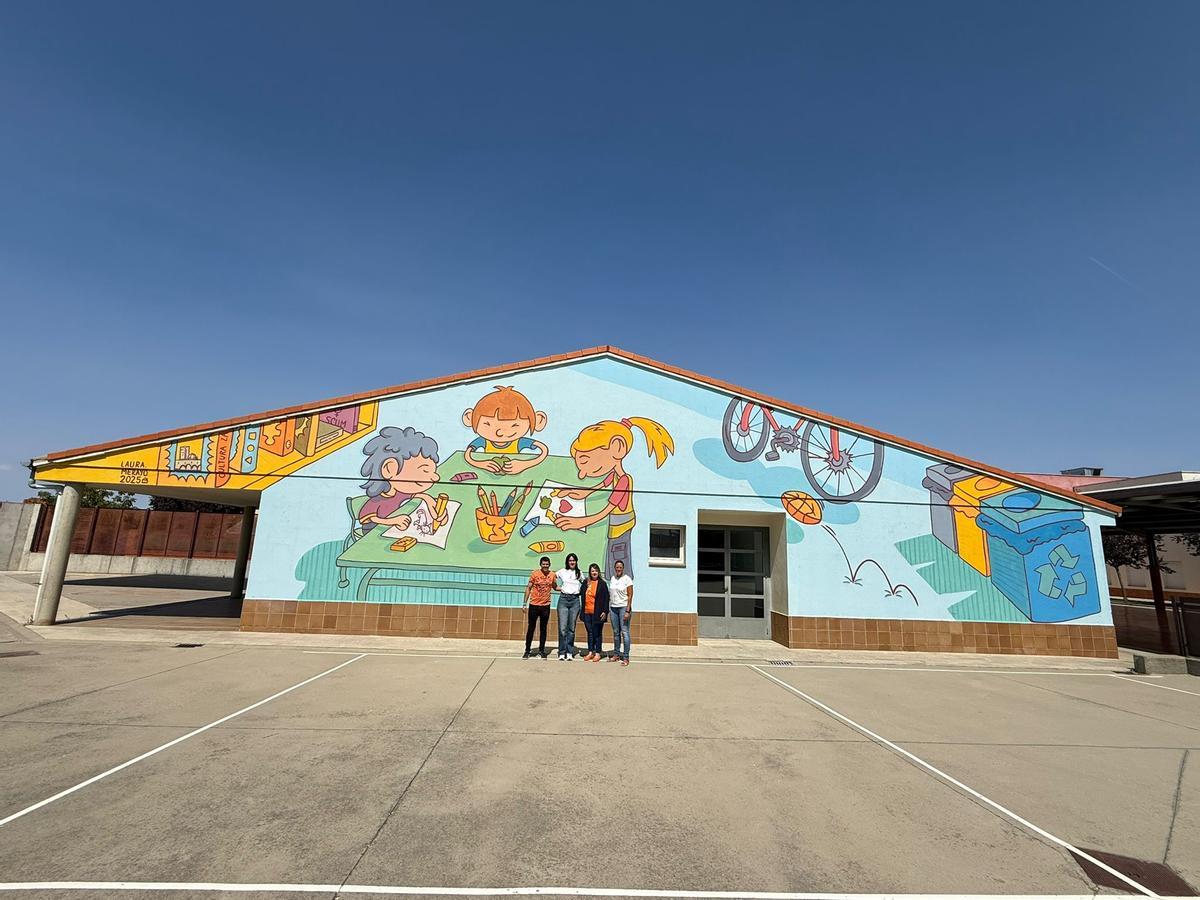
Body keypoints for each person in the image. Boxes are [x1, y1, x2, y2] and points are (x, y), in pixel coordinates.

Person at [552, 417, 674, 576]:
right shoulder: (614, 475)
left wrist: (579, 522)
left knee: (618, 566)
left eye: (586, 461)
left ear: (617, 447)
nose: (582, 473)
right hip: (615, 530)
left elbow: (605, 511)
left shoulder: (624, 481)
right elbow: (599, 486)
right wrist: (578, 492)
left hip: (620, 533)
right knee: (612, 564)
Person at [357, 426, 448, 533]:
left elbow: (413, 495)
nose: (436, 477)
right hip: (374, 532)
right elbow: (368, 518)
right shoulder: (377, 500)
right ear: (390, 469)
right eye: (424, 471)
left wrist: (428, 499)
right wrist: (393, 521)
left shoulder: (401, 492)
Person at [461, 385, 549, 476]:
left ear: (539, 420)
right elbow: (468, 455)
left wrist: (524, 464)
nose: (500, 432)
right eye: (487, 424)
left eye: (514, 425)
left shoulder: (518, 442)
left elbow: (544, 449)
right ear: (469, 418)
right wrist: (481, 464)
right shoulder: (484, 441)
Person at [522, 556, 556, 659]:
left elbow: (555, 587)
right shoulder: (535, 574)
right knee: (531, 628)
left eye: (547, 564)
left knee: (543, 629)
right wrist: (524, 603)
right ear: (540, 565)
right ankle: (527, 650)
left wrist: (567, 589)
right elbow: (528, 588)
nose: (545, 566)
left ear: (549, 564)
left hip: (545, 606)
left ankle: (542, 650)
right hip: (534, 605)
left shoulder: (552, 575)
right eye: (543, 564)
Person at [555, 553, 583, 660]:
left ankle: (569, 652)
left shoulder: (578, 573)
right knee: (562, 628)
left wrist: (580, 591)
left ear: (576, 562)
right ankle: (562, 652)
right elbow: (552, 577)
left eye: (574, 560)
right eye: (570, 560)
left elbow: (585, 583)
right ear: (567, 561)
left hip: (575, 601)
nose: (572, 562)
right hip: (563, 600)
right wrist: (556, 587)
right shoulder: (562, 571)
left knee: (571, 628)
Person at [581, 563, 610, 662]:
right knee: (590, 633)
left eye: (596, 571)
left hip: (597, 613)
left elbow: (606, 598)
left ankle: (598, 653)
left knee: (597, 633)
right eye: (592, 571)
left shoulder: (602, 583)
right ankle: (590, 652)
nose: (594, 573)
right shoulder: (586, 582)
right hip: (586, 612)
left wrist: (605, 611)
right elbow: (581, 595)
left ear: (598, 572)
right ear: (590, 572)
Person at [607, 558, 633, 666]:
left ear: (623, 568)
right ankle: (616, 654)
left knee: (625, 632)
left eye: (620, 568)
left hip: (623, 608)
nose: (618, 569)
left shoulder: (627, 579)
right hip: (613, 608)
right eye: (617, 567)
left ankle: (626, 657)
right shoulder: (613, 578)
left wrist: (627, 610)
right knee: (616, 633)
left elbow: (630, 595)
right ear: (614, 568)